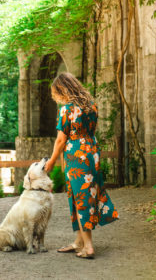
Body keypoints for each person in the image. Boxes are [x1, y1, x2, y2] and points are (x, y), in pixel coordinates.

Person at [43, 72, 118, 259]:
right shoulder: (91, 106)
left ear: (62, 90)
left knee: (81, 197)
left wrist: (51, 161)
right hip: (92, 152)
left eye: (56, 94)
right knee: (82, 195)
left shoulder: (66, 110)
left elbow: (61, 140)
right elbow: (91, 130)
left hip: (76, 154)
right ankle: (78, 241)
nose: (57, 99)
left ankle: (89, 247)